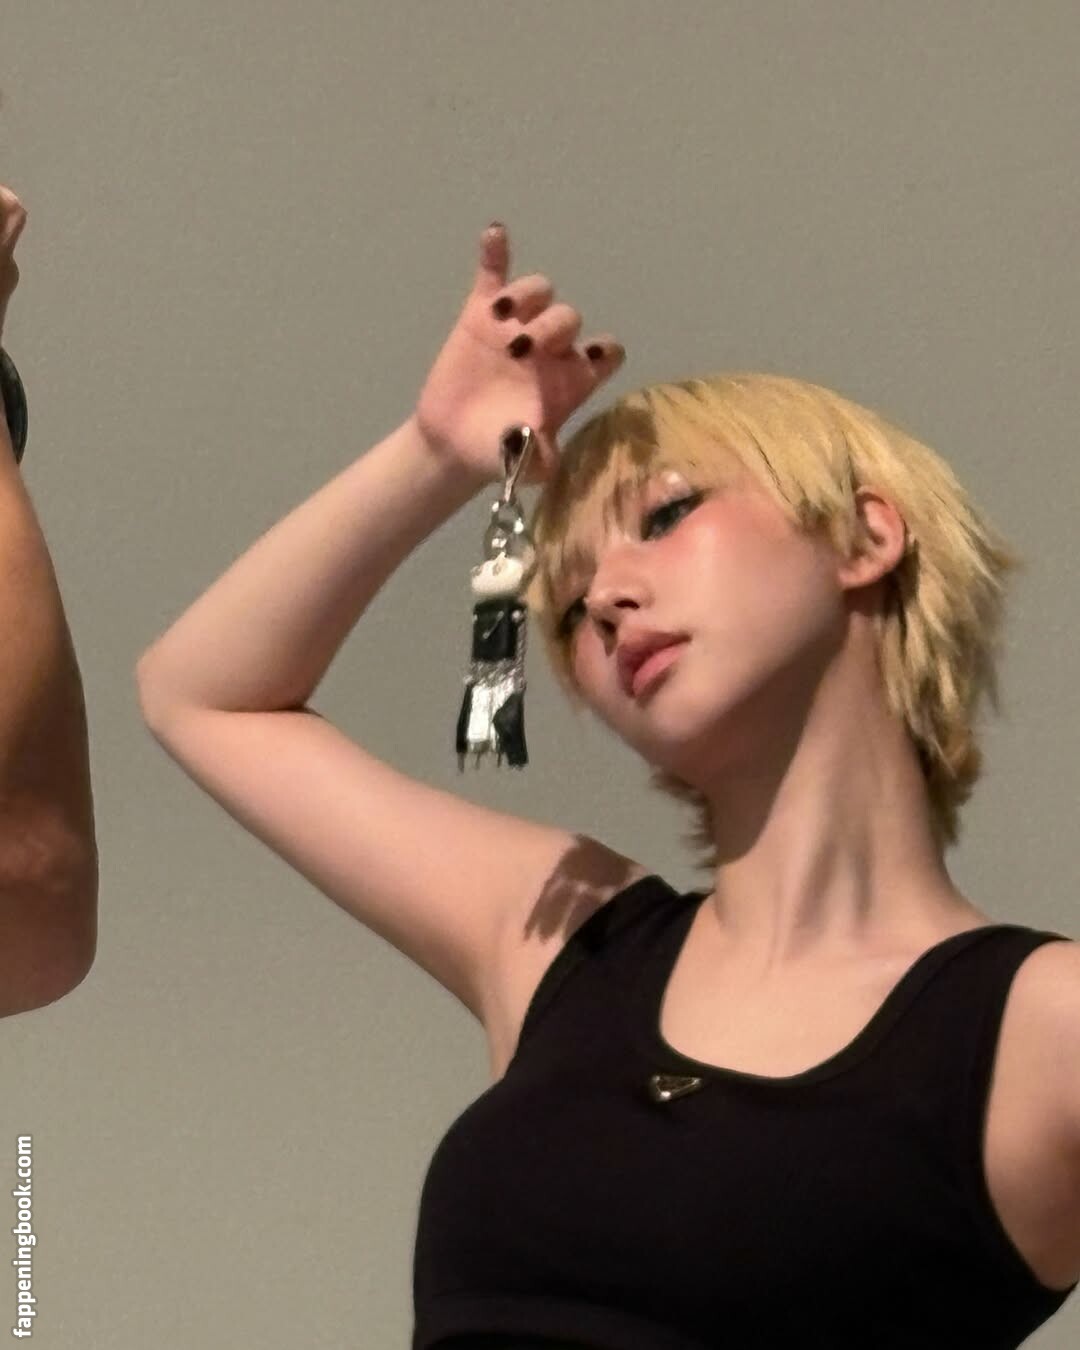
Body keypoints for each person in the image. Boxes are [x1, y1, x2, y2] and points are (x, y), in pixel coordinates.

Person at [0, 190, 1077, 1345]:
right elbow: (200, 692)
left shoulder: (1042, 1025)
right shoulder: (571, 941)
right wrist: (435, 455)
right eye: (564, 607)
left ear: (866, 535)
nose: (605, 596)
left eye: (663, 517)